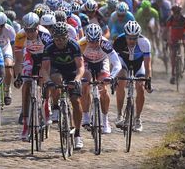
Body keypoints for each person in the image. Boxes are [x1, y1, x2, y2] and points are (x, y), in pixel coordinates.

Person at [41, 21, 85, 150]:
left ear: (67, 36)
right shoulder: (49, 47)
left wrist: (77, 79)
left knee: (76, 101)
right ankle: (55, 107)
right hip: (57, 70)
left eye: (62, 39)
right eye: (56, 39)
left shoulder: (74, 46)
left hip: (72, 72)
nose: (59, 41)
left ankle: (77, 134)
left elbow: (81, 67)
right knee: (56, 80)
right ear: (53, 38)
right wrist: (48, 81)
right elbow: (44, 69)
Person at [13, 13, 52, 140]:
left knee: (42, 79)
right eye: (27, 30)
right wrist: (18, 76)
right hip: (30, 56)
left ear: (38, 27)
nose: (30, 34)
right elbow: (18, 60)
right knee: (26, 84)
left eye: (32, 30)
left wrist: (45, 75)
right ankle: (26, 124)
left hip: (44, 57)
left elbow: (50, 59)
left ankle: (46, 104)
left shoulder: (45, 35)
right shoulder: (20, 36)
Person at [78, 23, 120, 134]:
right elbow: (76, 61)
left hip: (102, 62)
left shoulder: (105, 44)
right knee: (84, 84)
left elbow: (117, 64)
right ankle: (86, 115)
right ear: (86, 39)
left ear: (100, 38)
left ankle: (105, 120)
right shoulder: (81, 43)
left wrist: (111, 77)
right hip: (87, 62)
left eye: (96, 41)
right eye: (90, 41)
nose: (93, 44)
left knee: (104, 89)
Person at [112, 20, 152, 132]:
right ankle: (119, 114)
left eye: (134, 38)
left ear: (138, 36)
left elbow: (147, 65)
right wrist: (113, 77)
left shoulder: (144, 42)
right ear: (125, 35)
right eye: (129, 38)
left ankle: (138, 118)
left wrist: (148, 80)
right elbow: (113, 61)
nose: (132, 41)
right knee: (121, 81)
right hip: (123, 63)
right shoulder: (119, 41)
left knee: (140, 87)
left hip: (138, 64)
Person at [0, 11, 16, 105]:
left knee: (8, 66)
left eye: (2, 26)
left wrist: (14, 60)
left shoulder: (10, 29)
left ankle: (7, 89)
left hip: (5, 48)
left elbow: (14, 47)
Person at [165, 5, 185, 80]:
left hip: (183, 35)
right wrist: (167, 40)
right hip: (174, 37)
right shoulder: (170, 19)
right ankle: (173, 75)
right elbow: (166, 31)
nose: (176, 15)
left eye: (178, 13)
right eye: (175, 13)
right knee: (173, 55)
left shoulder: (184, 18)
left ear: (180, 13)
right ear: (173, 13)